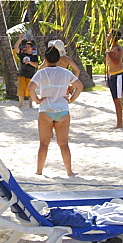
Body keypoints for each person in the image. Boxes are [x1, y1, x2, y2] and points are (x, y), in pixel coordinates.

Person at [28, 45, 83, 177]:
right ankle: (69, 171)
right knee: (64, 144)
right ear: (59, 59)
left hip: (46, 110)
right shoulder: (65, 72)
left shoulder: (41, 72)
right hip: (62, 110)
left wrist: (37, 100)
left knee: (43, 144)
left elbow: (30, 88)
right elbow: (79, 86)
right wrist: (71, 100)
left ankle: (39, 170)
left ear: (45, 59)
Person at [105, 29, 123, 127]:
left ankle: (120, 123)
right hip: (113, 75)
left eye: (109, 34)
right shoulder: (112, 49)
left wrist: (110, 55)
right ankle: (119, 122)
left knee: (118, 100)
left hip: (118, 75)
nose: (107, 36)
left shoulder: (118, 49)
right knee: (115, 99)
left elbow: (117, 62)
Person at [16, 40, 40, 108]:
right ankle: (21, 104)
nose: (27, 48)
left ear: (32, 48)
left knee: (30, 89)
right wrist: (20, 40)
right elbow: (16, 48)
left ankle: (30, 104)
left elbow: (36, 65)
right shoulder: (22, 54)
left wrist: (29, 62)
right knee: (21, 89)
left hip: (30, 75)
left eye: (28, 47)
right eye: (26, 47)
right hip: (22, 73)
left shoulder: (34, 56)